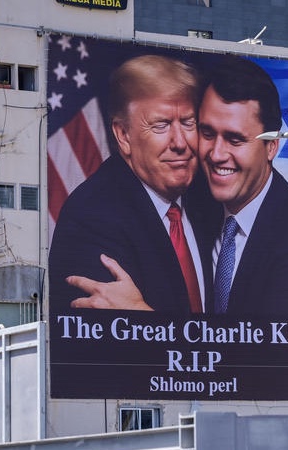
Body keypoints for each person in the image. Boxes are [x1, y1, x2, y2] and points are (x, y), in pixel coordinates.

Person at [48, 54, 218, 313]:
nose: (180, 142)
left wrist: (144, 316)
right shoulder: (91, 217)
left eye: (188, 122)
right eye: (161, 125)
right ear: (123, 135)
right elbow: (110, 345)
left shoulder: (212, 199)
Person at [197, 56, 288, 316]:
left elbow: (270, 349)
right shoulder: (190, 204)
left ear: (271, 146)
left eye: (235, 140)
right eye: (208, 134)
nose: (216, 154)